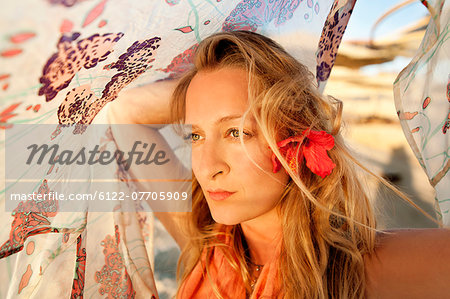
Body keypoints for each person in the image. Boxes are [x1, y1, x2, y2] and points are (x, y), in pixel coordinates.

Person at [108, 30, 450, 299]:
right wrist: (210, 98)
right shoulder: (208, 252)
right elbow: (125, 112)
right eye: (195, 136)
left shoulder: (366, 269)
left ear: (298, 137)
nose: (208, 167)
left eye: (236, 132)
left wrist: (277, 94)